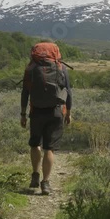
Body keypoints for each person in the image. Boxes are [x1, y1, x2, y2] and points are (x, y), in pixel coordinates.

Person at [20, 41, 72, 195]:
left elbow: (25, 93)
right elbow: (68, 92)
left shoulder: (30, 68)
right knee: (49, 148)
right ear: (56, 53)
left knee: (35, 144)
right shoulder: (61, 67)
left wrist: (23, 114)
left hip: (36, 112)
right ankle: (46, 183)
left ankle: (35, 175)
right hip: (56, 112)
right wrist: (68, 112)